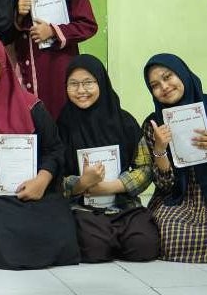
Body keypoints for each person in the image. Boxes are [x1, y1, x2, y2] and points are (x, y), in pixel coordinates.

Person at [0, 33, 79, 269]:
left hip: (32, 188)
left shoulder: (31, 105)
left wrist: (42, 180)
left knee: (58, 225)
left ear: (2, 63)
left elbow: (54, 149)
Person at [142, 53, 207, 263]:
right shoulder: (154, 124)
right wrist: (160, 149)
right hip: (178, 197)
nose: (164, 86)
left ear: (182, 74)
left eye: (168, 76)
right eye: (155, 85)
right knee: (166, 235)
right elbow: (164, 185)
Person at [58, 55, 158, 262]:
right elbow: (53, 175)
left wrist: (113, 186)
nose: (81, 90)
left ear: (101, 82)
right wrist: (80, 184)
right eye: (73, 84)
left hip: (123, 204)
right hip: (82, 206)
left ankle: (115, 232)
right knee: (95, 249)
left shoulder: (124, 121)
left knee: (144, 246)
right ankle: (106, 235)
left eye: (88, 83)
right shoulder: (61, 125)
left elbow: (145, 167)